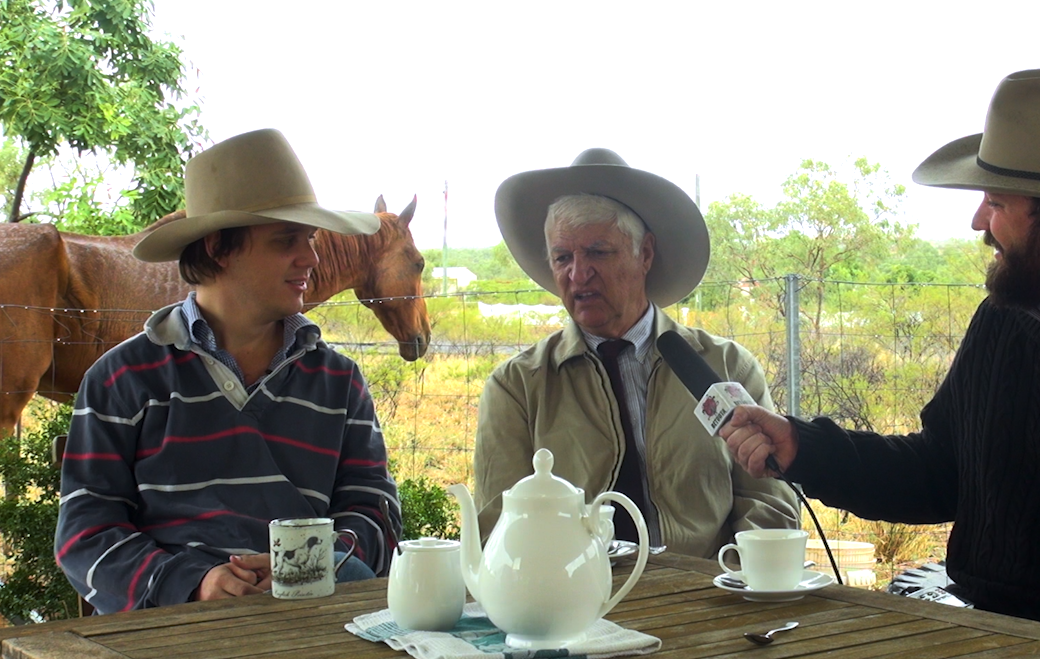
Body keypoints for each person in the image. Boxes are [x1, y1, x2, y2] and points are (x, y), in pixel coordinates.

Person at [721, 69, 1040, 633]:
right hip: (984, 635)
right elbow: (939, 473)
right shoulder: (1003, 320)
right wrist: (802, 448)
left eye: (996, 202)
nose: (978, 222)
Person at [54, 129, 402, 613]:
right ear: (218, 247)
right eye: (287, 241)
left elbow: (376, 514)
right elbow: (84, 535)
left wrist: (302, 566)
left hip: (315, 623)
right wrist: (195, 585)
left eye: (311, 239)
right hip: (173, 633)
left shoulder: (338, 382)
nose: (312, 258)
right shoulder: (123, 379)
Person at [475, 148, 799, 558]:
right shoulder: (519, 386)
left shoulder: (725, 367)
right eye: (562, 257)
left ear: (644, 254)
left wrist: (727, 581)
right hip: (576, 606)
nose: (577, 274)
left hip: (707, 599)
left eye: (597, 252)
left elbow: (769, 502)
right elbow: (498, 527)